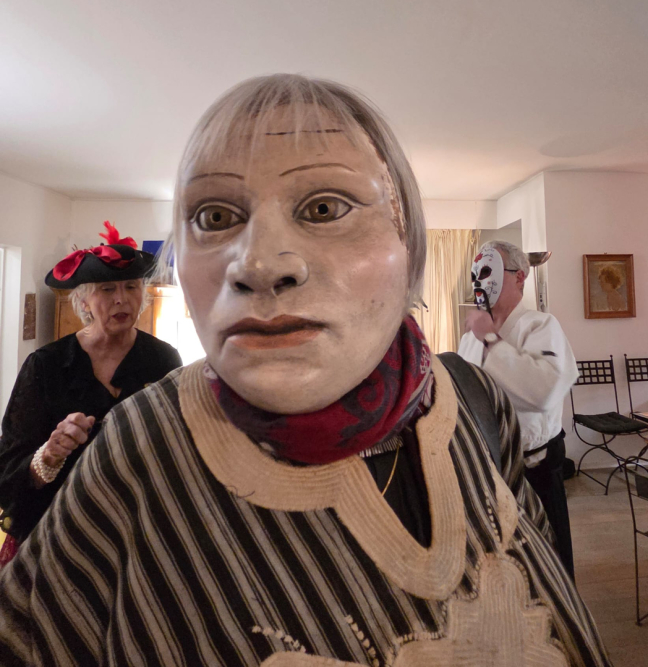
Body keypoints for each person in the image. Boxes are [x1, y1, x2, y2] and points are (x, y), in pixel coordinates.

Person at [0, 76, 609, 666]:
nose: (259, 264)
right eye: (214, 217)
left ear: (410, 244)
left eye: (323, 207)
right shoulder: (138, 451)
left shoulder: (476, 405)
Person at [0, 222, 182, 563]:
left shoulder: (164, 360)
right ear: (83, 300)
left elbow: (173, 446)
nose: (121, 298)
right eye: (107, 289)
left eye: (131, 286)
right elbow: (9, 471)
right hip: (55, 532)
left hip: (136, 533)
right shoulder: (47, 365)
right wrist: (49, 455)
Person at [458, 240, 579, 579]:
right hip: (485, 473)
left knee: (546, 567)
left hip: (534, 471)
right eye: (475, 275)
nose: (479, 282)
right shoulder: (470, 337)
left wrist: (490, 340)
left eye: (487, 271)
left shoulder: (541, 326)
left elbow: (543, 391)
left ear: (520, 277)